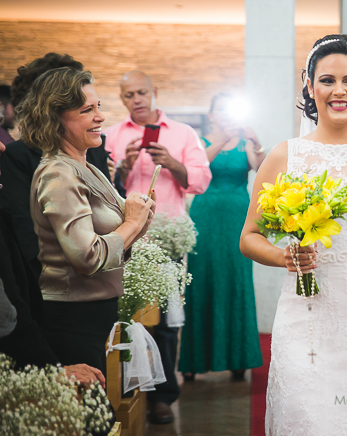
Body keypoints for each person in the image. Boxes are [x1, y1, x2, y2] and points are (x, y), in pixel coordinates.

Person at [240, 35, 347, 435]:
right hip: (309, 322)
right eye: (328, 80)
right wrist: (284, 257)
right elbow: (249, 236)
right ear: (309, 84)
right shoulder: (286, 155)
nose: (339, 90)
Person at [13, 67, 155, 375]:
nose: (100, 117)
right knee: (90, 421)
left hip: (91, 314)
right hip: (70, 317)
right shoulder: (59, 174)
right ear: (56, 119)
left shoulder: (85, 165)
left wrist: (139, 218)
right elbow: (87, 258)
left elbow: (113, 239)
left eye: (99, 107)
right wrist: (130, 224)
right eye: (86, 110)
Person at [104, 70, 211, 424]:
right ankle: (126, 391)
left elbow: (200, 180)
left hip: (166, 238)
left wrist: (173, 163)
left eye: (141, 92)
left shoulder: (182, 133)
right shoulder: (113, 136)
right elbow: (101, 186)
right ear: (122, 99)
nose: (136, 99)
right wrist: (123, 167)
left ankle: (163, 397)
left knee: (165, 322)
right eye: (128, 94)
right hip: (124, 239)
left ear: (154, 92)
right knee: (124, 319)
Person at [0, 53, 112, 281]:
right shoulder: (18, 156)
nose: (98, 117)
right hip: (54, 280)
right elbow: (24, 227)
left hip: (102, 272)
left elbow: (107, 203)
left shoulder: (94, 148)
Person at [179, 93, 264, 381]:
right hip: (206, 215)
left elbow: (261, 169)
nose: (227, 115)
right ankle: (195, 360)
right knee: (203, 277)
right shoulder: (199, 141)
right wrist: (222, 140)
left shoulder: (244, 142)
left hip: (239, 215)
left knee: (237, 277)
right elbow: (197, 168)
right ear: (211, 115)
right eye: (221, 110)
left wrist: (256, 143)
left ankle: (238, 358)